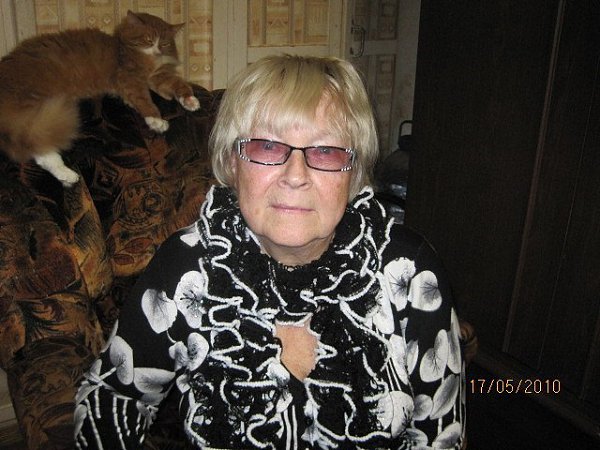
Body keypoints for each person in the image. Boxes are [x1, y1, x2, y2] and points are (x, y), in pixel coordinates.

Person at [74, 54, 465, 450]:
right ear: (232, 162)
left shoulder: (410, 270)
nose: (295, 176)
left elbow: (442, 438)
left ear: (354, 173)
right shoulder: (187, 266)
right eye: (266, 146)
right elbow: (110, 400)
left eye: (325, 151)